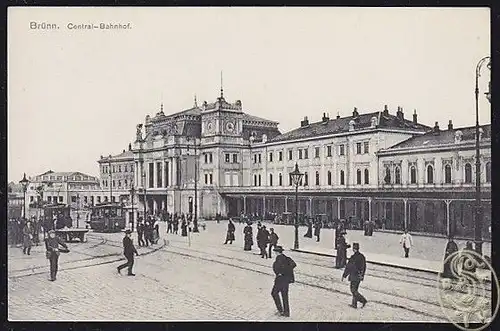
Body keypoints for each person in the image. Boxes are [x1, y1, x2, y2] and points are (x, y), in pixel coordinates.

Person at [271, 246, 296, 317]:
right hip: (286, 280)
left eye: (275, 252)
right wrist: (286, 272)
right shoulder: (286, 258)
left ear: (277, 252)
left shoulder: (279, 258)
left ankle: (280, 310)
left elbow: (277, 268)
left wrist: (281, 272)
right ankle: (286, 312)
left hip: (280, 280)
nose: (275, 253)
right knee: (285, 296)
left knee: (274, 293)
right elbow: (293, 265)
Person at [342, 242, 367, 309]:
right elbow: (364, 267)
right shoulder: (362, 257)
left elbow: (348, 267)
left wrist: (344, 275)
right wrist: (362, 275)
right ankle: (354, 304)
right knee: (355, 289)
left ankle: (363, 300)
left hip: (354, 276)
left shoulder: (353, 257)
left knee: (353, 290)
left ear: (354, 249)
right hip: (358, 276)